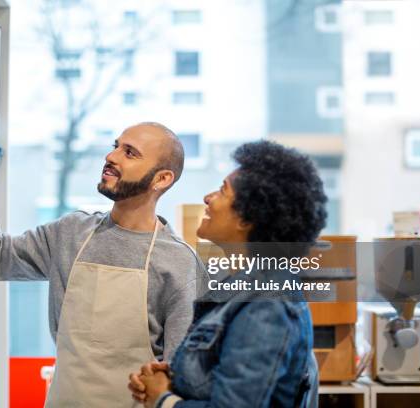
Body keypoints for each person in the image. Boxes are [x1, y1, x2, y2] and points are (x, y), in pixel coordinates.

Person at [0, 123, 205, 406]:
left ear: (161, 179)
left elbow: (181, 378)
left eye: (130, 152)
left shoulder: (180, 263)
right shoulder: (71, 233)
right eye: (115, 146)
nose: (111, 157)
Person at [128, 140, 325, 407]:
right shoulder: (234, 290)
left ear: (247, 217)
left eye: (222, 191)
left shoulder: (267, 304)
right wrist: (171, 380)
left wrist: (164, 400)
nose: (208, 198)